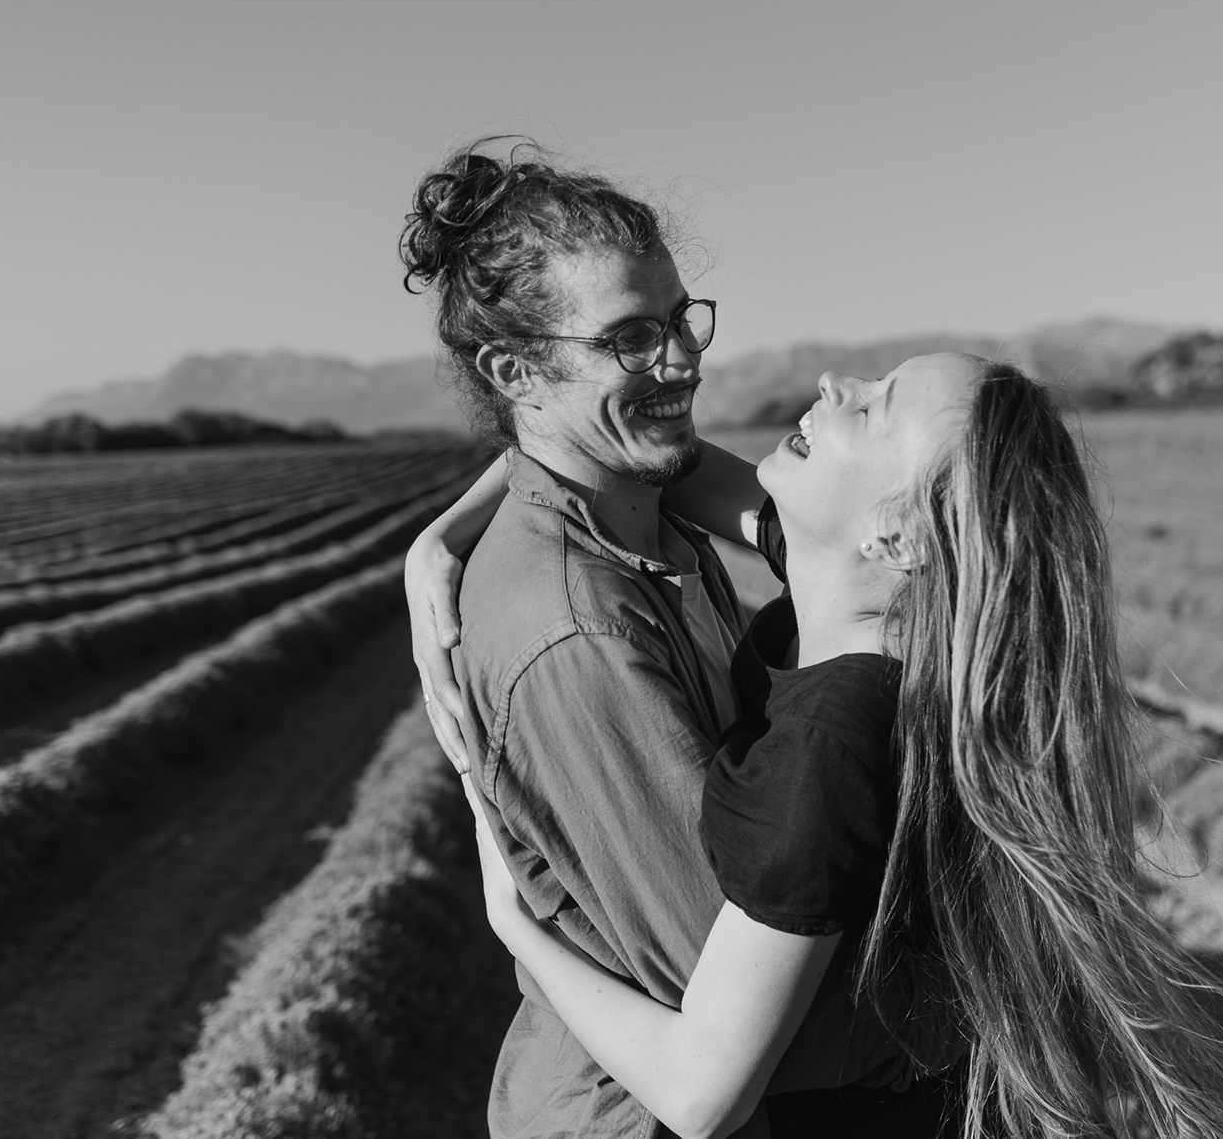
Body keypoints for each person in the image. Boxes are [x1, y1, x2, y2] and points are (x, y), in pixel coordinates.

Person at [414, 347, 1223, 1138]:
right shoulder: (872, 609)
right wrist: (444, 533)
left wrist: (519, 928)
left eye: (874, 407)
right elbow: (625, 458)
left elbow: (699, 1094)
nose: (837, 383)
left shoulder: (826, 752)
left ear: (896, 535)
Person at [399, 139, 931, 1139]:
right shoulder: (578, 634)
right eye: (632, 337)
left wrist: (444, 529)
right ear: (516, 370)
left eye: (681, 318)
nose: (682, 360)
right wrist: (958, 998)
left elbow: (682, 474)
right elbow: (726, 1007)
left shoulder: (646, 501)